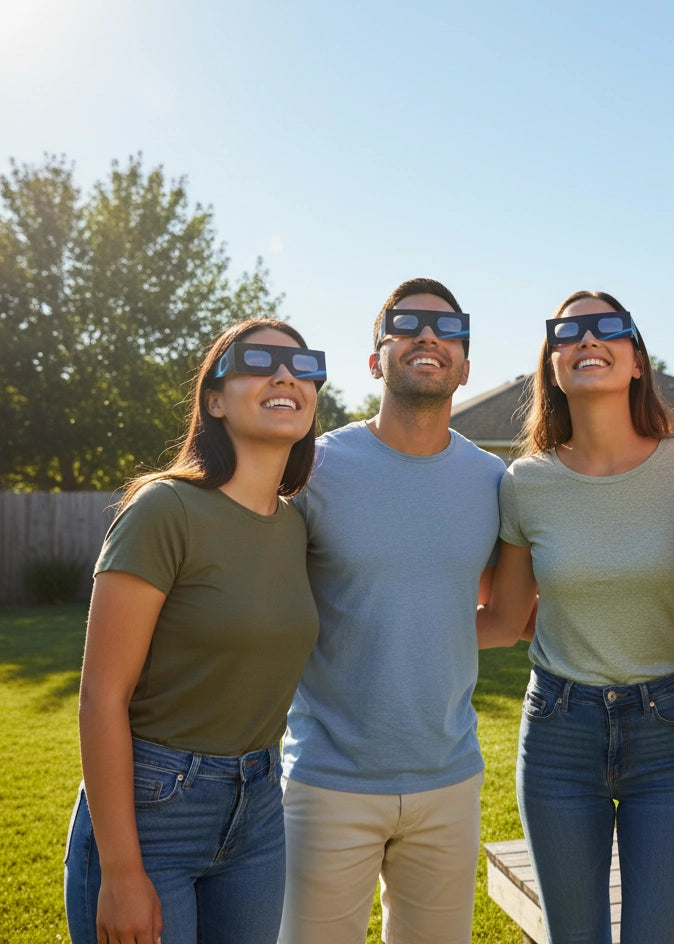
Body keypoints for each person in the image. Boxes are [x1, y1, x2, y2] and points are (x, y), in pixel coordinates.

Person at [64, 318, 325, 944]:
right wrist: (123, 872)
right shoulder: (163, 510)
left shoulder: (295, 528)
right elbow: (102, 696)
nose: (286, 374)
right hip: (154, 810)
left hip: (259, 808)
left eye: (303, 365)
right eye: (259, 362)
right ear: (213, 400)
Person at [477, 290, 674, 944]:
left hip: (669, 735)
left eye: (608, 327)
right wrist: (382, 626)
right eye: (568, 332)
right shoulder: (523, 483)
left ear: (638, 360)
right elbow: (504, 619)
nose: (587, 340)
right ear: (553, 366)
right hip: (558, 735)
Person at [278, 278, 506, 944]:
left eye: (448, 329)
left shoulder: (493, 481)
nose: (429, 335)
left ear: (465, 368)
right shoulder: (312, 469)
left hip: (449, 780)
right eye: (407, 323)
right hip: (326, 780)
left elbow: (503, 615)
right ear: (375, 359)